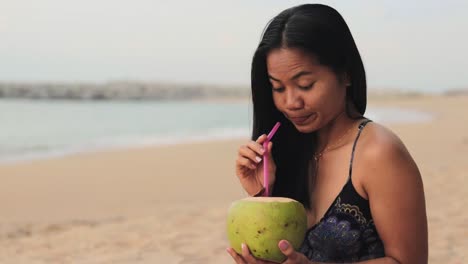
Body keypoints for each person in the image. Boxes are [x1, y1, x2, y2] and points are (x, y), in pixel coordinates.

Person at [227, 4, 428, 264]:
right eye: (277, 88)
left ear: (345, 74)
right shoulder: (289, 149)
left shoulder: (379, 153)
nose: (290, 102)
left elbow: (409, 261)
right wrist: (264, 194)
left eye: (305, 85)